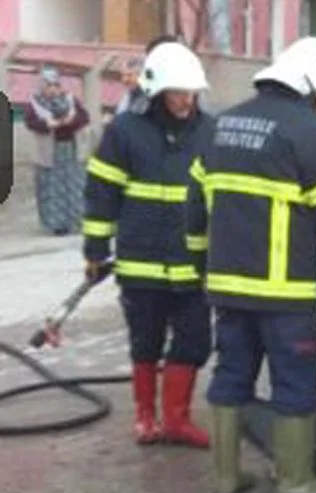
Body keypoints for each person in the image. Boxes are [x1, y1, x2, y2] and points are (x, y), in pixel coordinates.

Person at [185, 36, 316, 493]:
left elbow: (195, 210)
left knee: (231, 376)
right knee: (296, 381)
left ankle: (225, 478)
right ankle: (296, 481)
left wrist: (202, 268)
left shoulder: (219, 126)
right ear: (311, 84)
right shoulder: (307, 133)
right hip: (282, 292)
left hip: (227, 288)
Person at [82, 42, 214, 448]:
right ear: (155, 90)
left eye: (192, 92)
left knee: (194, 342)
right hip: (142, 259)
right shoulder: (124, 132)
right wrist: (95, 249)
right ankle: (145, 418)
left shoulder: (211, 131)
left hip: (193, 262)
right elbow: (102, 192)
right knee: (146, 342)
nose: (186, 100)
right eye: (178, 92)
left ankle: (176, 420)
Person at [24, 66, 92, 236]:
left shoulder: (70, 100)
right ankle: (57, 225)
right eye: (48, 85)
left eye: (55, 85)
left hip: (70, 149)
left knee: (74, 186)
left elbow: (84, 117)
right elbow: (30, 123)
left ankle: (77, 221)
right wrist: (48, 124)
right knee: (52, 189)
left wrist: (71, 121)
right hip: (48, 153)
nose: (52, 89)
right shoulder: (34, 103)